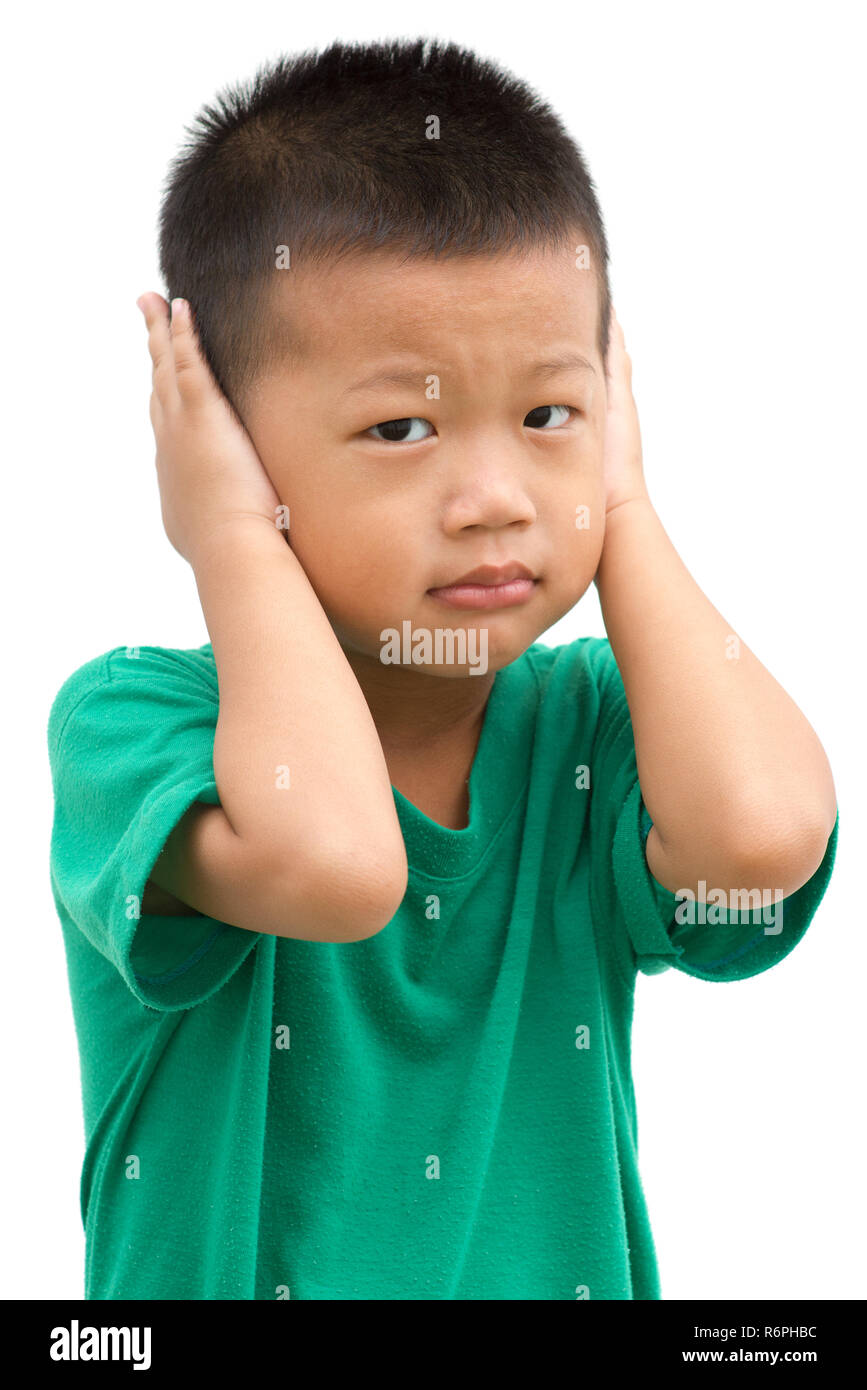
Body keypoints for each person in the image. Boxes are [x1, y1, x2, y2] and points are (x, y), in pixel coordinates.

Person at [47, 37, 838, 1300]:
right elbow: (338, 863)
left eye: (547, 416)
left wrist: (620, 509)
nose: (494, 499)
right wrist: (230, 540)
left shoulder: (589, 729)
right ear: (227, 445)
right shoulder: (133, 723)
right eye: (402, 426)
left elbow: (761, 834)